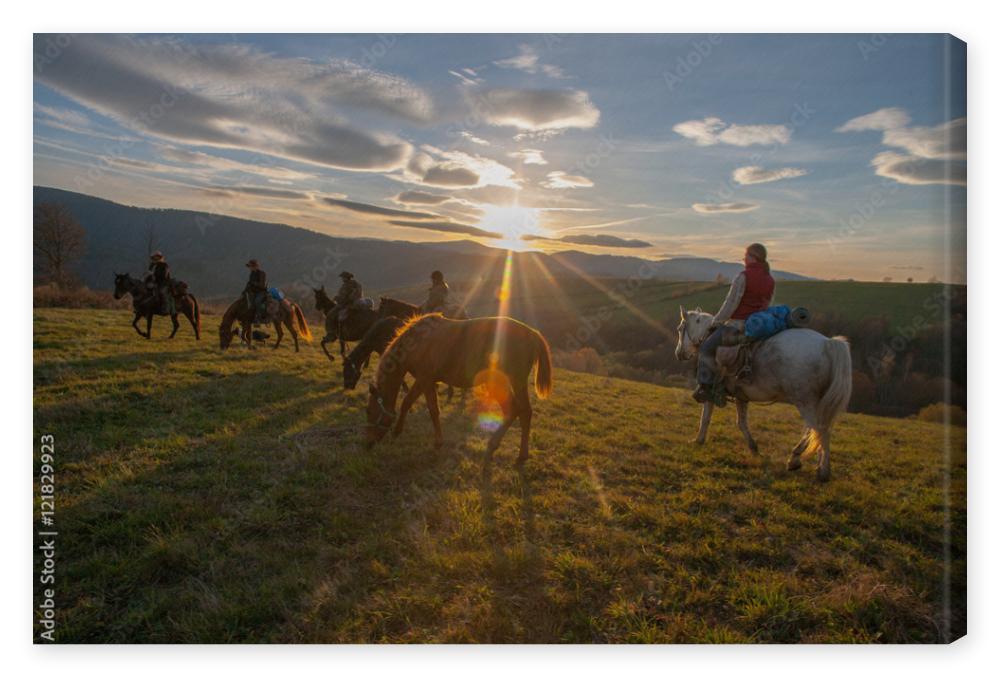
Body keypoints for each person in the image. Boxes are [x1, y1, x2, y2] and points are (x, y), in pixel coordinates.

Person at [693, 243, 775, 403]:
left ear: (752, 257)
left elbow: (731, 304)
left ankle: (706, 387)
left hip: (737, 326)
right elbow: (767, 305)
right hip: (758, 327)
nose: (744, 258)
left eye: (745, 255)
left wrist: (716, 322)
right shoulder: (770, 280)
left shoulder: (743, 276)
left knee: (705, 348)